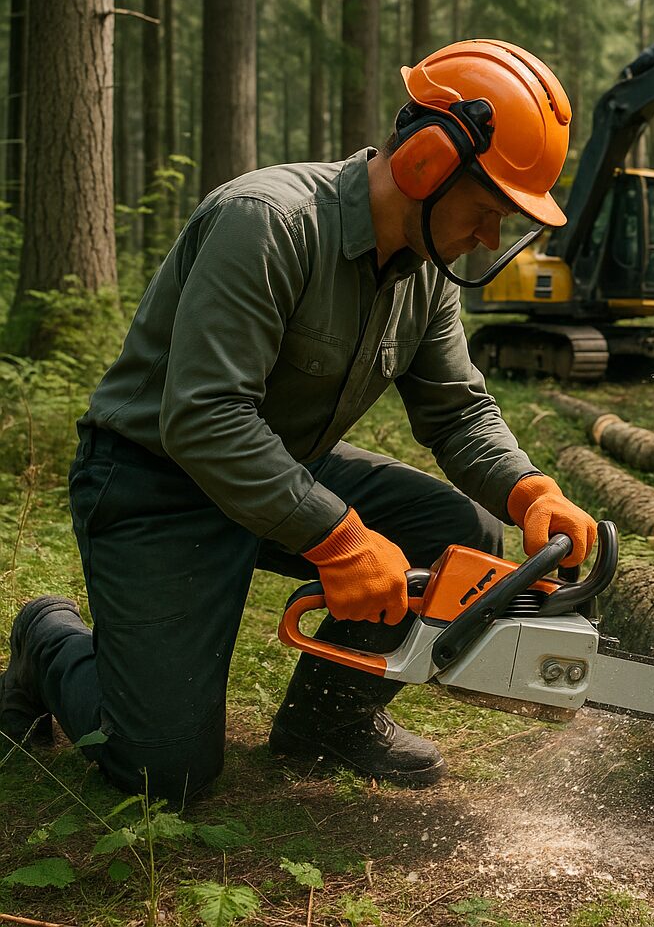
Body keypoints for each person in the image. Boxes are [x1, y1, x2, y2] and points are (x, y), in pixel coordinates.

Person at [0, 40, 598, 802]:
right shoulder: (268, 222)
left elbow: (457, 410)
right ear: (427, 162)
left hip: (283, 468)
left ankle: (327, 722)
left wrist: (528, 489)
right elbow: (205, 416)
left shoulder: (425, 274)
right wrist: (338, 537)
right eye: (486, 211)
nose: (489, 238)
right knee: (161, 770)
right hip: (156, 484)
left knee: (458, 531)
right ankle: (46, 641)